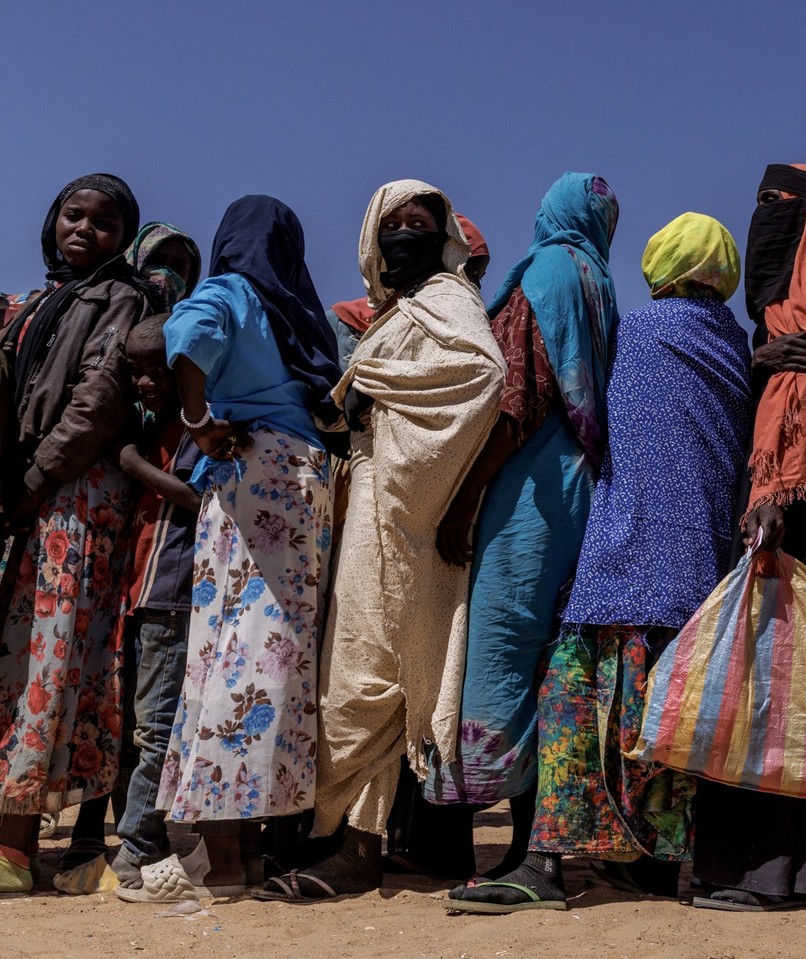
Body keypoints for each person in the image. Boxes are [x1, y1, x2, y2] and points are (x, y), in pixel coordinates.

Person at [253, 181, 506, 902]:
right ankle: (346, 841)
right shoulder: (393, 315)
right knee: (355, 675)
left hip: (403, 511)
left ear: (444, 234)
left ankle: (357, 851)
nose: (403, 232)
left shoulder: (448, 299)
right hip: (369, 500)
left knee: (369, 677)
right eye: (390, 222)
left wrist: (375, 380)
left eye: (418, 222)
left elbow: (482, 375)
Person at [506, 212, 751, 909]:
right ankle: (649, 859)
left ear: (661, 263)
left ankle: (547, 862)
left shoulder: (640, 332)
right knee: (663, 722)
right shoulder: (736, 344)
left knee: (575, 706)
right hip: (698, 567)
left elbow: (595, 415)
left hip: (626, 555)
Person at [432, 173, 619, 914]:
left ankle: (529, 857)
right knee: (552, 666)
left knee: (503, 653)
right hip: (582, 483)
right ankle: (533, 846)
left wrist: (466, 499)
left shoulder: (546, 271)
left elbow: (516, 396)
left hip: (531, 486)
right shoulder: (600, 281)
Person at [690, 162, 806, 913]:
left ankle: (771, 872)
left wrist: (776, 504)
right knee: (757, 688)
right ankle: (788, 868)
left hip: (804, 519)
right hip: (767, 511)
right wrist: (757, 362)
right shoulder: (771, 312)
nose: (767, 218)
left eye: (780, 206)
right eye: (759, 203)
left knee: (784, 694)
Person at [153, 195, 341, 896]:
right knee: (266, 659)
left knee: (235, 656)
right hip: (288, 479)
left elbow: (188, 341)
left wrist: (199, 424)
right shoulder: (273, 307)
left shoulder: (236, 292)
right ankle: (241, 859)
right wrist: (203, 422)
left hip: (256, 476)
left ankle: (233, 861)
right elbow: (187, 340)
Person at [0, 173, 151, 894]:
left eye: (104, 222)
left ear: (124, 238)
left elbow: (98, 399)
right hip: (27, 494)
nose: (84, 230)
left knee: (46, 665)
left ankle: (17, 847)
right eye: (73, 214)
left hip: (73, 496)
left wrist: (36, 479)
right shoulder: (37, 302)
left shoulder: (121, 298)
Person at [55, 220, 204, 894]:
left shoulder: (195, 424)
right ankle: (102, 837)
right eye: (160, 259)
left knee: (154, 725)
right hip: (132, 588)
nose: (168, 271)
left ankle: (134, 846)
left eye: (182, 263)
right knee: (123, 718)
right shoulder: (140, 411)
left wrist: (134, 462)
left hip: (167, 593)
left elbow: (194, 495)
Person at [327, 213, 490, 366]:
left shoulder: (473, 332)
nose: (476, 286)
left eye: (479, 277)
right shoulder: (345, 321)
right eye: (470, 272)